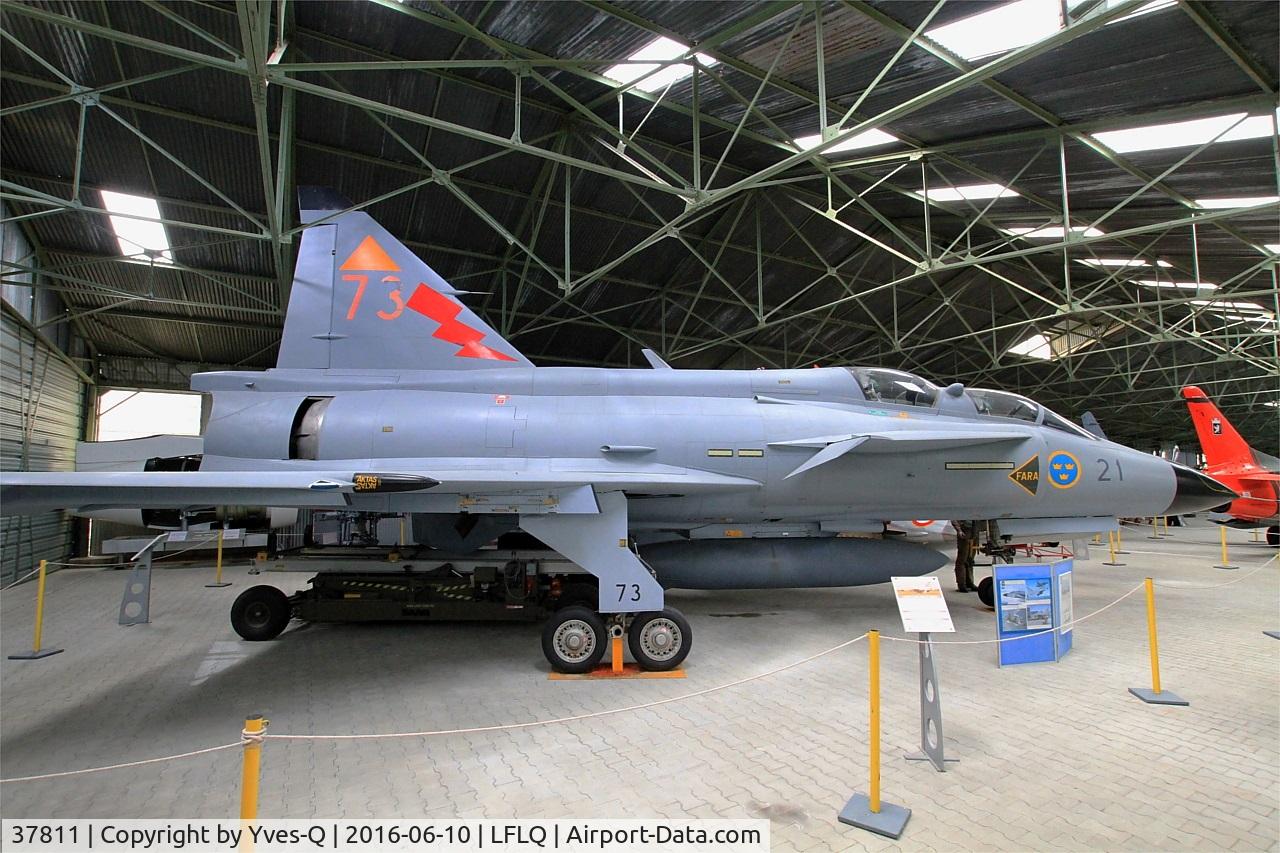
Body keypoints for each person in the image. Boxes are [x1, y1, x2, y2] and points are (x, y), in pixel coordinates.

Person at [953, 519, 977, 592]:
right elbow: (953, 517)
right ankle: (962, 585)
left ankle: (969, 582)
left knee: (970, 559)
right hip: (965, 530)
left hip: (974, 530)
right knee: (962, 559)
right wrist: (959, 530)